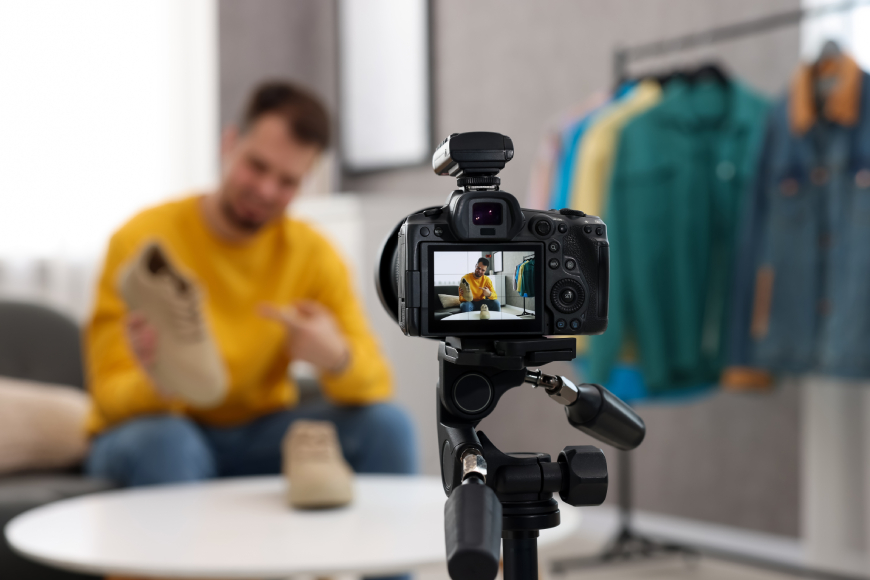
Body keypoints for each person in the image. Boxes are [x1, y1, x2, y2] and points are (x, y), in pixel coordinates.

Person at [84, 81, 417, 488]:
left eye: (287, 181)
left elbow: (378, 383)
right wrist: (159, 383)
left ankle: (390, 553)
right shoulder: (141, 243)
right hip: (158, 428)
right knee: (167, 442)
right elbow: (107, 396)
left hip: (261, 433)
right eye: (256, 166)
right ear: (229, 144)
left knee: (389, 426)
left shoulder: (313, 255)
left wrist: (336, 358)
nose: (265, 190)